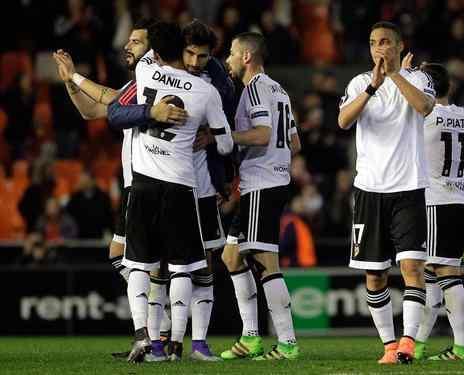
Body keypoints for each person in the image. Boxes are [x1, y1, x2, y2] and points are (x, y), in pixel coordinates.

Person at [107, 21, 233, 363]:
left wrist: (150, 111)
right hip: (181, 184)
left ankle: (145, 339)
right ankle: (175, 341)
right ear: (183, 49)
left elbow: (115, 107)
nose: (195, 60)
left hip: (143, 181)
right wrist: (209, 135)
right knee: (183, 267)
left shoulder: (147, 70)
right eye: (190, 52)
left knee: (137, 265)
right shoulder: (207, 92)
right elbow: (225, 145)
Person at [52, 18, 179, 281]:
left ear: (153, 51)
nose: (127, 46)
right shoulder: (135, 85)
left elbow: (111, 99)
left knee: (129, 257)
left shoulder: (152, 81)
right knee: (149, 264)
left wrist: (75, 76)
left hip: (147, 182)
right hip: (142, 182)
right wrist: (69, 82)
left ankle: (157, 315)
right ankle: (160, 314)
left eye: (136, 41)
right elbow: (89, 111)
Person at [338, 21, 435, 365]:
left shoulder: (418, 79)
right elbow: (344, 122)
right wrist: (372, 88)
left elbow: (424, 107)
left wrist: (395, 76)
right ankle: (389, 346)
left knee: (411, 266)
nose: (378, 48)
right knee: (375, 275)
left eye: (384, 42)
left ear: (397, 45)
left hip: (409, 187)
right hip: (370, 190)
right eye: (373, 43)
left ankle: (408, 341)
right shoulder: (359, 83)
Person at [221, 32, 302, 360]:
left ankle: (287, 342)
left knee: (265, 262)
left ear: (246, 57)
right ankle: (250, 337)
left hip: (263, 185)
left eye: (231, 53)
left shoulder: (254, 89)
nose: (227, 60)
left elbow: (263, 134)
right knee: (232, 257)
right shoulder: (279, 90)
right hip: (267, 181)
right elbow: (294, 143)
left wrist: (222, 136)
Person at [411, 63, 464, 361]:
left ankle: (462, 346)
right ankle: (418, 344)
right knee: (433, 273)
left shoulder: (427, 117)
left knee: (445, 272)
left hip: (438, 202)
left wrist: (407, 75)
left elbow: (415, 103)